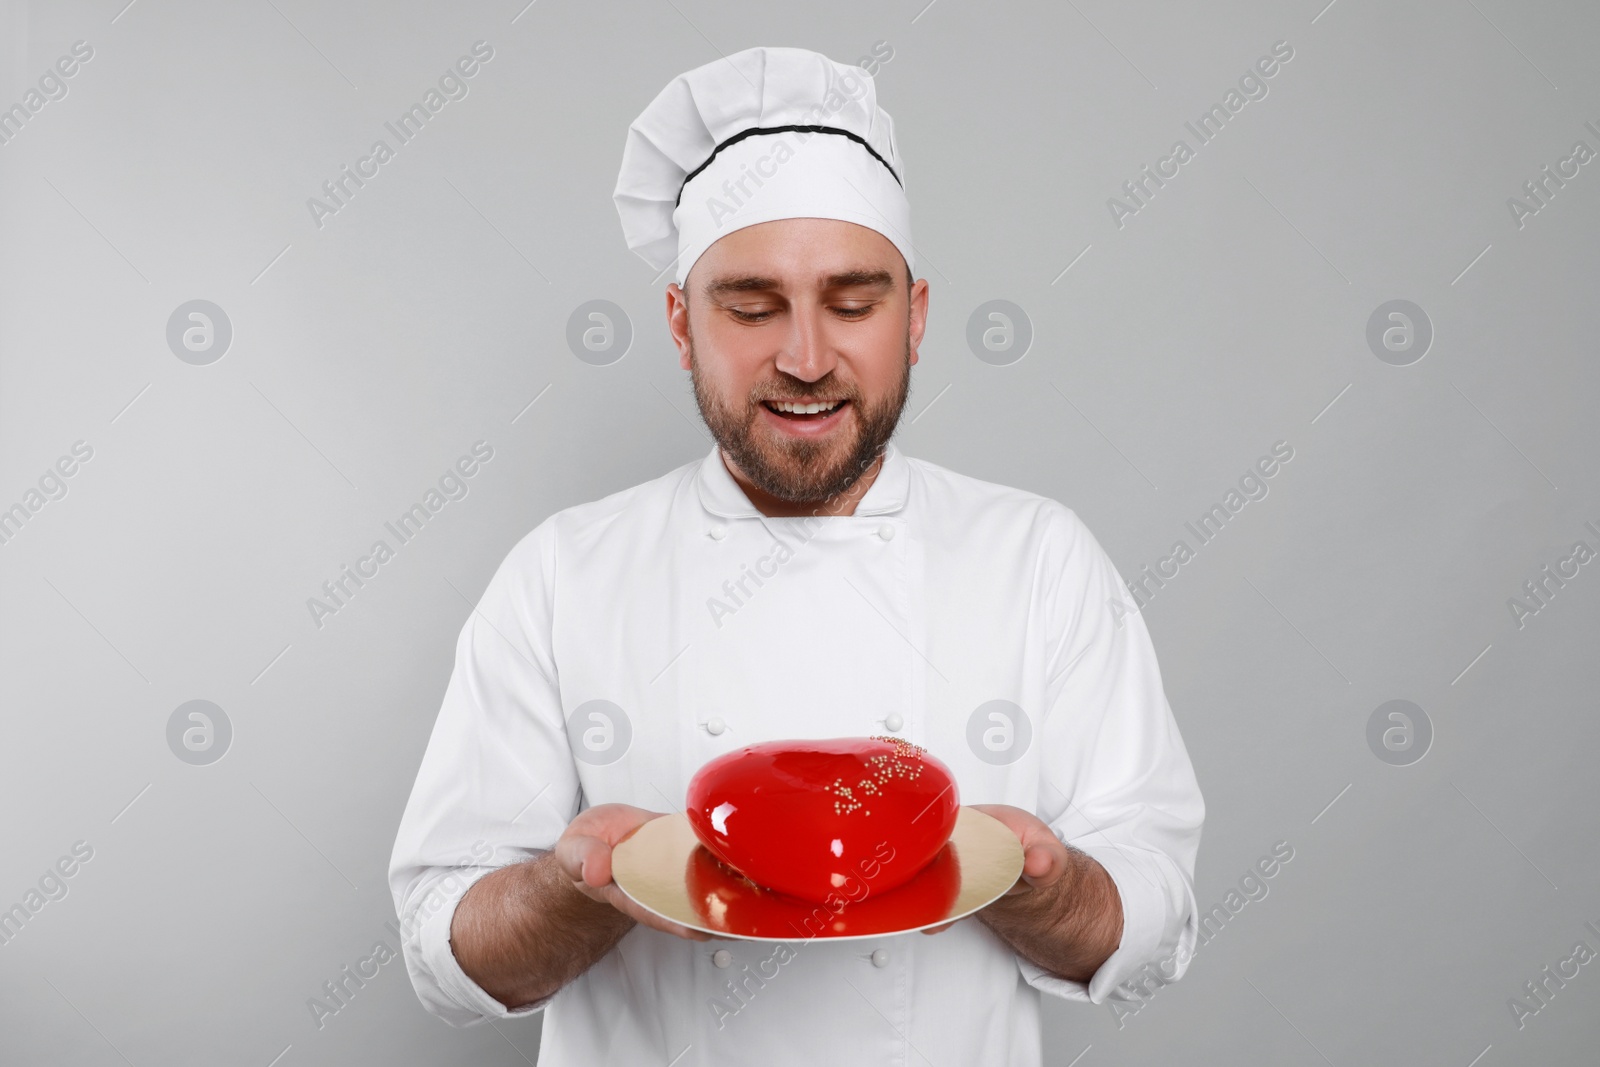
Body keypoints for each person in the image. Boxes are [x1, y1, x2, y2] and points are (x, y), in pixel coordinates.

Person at [389, 45, 1204, 1066]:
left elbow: (1155, 914)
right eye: (751, 305)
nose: (807, 358)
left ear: (914, 318)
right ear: (683, 324)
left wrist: (1046, 880)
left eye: (853, 303)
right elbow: (443, 944)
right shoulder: (565, 572)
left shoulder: (1038, 559)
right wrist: (575, 889)